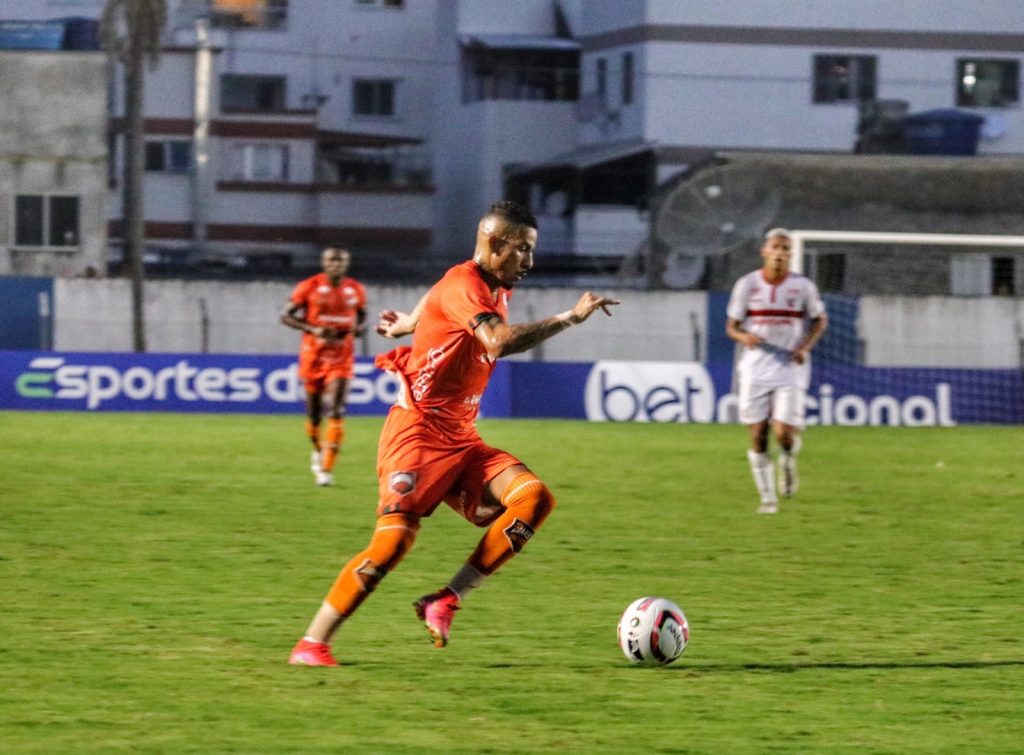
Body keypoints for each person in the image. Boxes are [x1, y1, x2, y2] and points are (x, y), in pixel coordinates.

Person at [289, 200, 619, 666]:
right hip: (417, 434)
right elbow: (498, 342)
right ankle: (312, 643)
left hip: (461, 438)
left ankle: (445, 599)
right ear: (495, 244)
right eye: (523, 250)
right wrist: (568, 318)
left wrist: (410, 321)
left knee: (534, 500)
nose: (530, 261)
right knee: (393, 543)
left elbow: (441, 291)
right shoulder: (469, 284)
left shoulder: (483, 282)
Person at [725, 228, 828, 514]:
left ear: (791, 254)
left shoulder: (803, 287)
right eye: (776, 248)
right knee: (758, 434)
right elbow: (731, 327)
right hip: (755, 368)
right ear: (765, 251)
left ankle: (788, 460)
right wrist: (745, 337)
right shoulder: (747, 285)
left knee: (783, 433)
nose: (781, 253)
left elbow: (820, 320)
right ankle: (768, 499)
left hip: (790, 368)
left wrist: (804, 347)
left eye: (786, 249)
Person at [281, 247, 367, 486]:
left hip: (341, 357)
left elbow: (362, 317)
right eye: (331, 261)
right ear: (324, 263)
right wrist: (313, 329)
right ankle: (318, 450)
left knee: (337, 409)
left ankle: (326, 470)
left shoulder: (355, 289)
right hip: (313, 356)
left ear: (346, 264)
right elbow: (285, 316)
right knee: (314, 415)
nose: (336, 265)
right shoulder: (308, 286)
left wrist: (359, 329)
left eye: (341, 261)